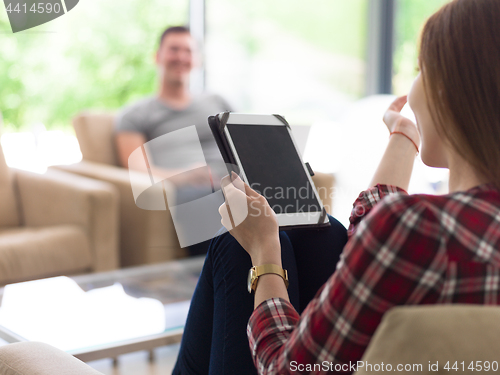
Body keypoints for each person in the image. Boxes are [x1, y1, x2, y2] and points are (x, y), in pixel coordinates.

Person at [174, 0, 500, 373]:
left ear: (450, 92)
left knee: (234, 245)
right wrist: (403, 135)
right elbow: (377, 234)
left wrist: (264, 250)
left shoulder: (416, 230)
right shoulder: (445, 228)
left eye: (420, 70)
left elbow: (287, 368)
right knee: (324, 233)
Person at [115, 26, 232, 255]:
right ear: (157, 56)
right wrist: (186, 175)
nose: (181, 57)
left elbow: (245, 141)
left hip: (232, 180)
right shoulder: (135, 115)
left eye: (187, 51)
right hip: (190, 190)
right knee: (202, 198)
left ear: (197, 60)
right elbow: (138, 170)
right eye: (173, 49)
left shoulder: (216, 101)